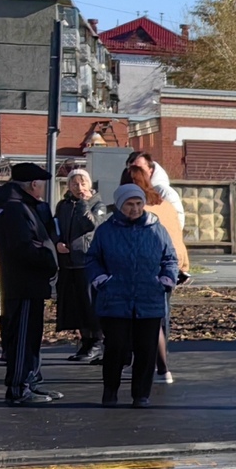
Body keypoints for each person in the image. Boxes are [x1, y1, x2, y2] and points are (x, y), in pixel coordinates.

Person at [84, 183, 181, 405]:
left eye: (138, 203)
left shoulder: (157, 228)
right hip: (115, 299)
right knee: (116, 348)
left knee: (146, 350)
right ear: (119, 205)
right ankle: (110, 392)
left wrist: (166, 280)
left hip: (150, 298)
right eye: (129, 204)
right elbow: (92, 259)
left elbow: (170, 258)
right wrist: (102, 280)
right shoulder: (106, 230)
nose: (135, 208)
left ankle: (141, 394)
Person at [0, 162, 60, 405]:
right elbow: (23, 247)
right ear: (33, 184)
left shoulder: (23, 206)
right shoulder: (15, 209)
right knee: (22, 337)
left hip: (30, 283)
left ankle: (31, 380)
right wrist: (48, 258)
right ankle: (19, 387)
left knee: (31, 336)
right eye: (41, 184)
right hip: (23, 283)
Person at [121, 152, 188, 383]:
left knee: (148, 319)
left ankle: (153, 365)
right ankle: (160, 366)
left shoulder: (140, 207)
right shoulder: (163, 202)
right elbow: (177, 229)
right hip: (170, 263)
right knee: (157, 317)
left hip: (150, 267)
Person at [53, 169, 102, 364]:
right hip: (68, 263)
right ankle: (85, 340)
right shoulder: (63, 205)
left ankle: (97, 341)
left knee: (90, 304)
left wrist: (83, 203)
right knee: (76, 306)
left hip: (86, 261)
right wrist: (57, 242)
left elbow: (92, 225)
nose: (79, 188)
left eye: (82, 183)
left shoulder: (97, 204)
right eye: (74, 184)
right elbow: (55, 226)